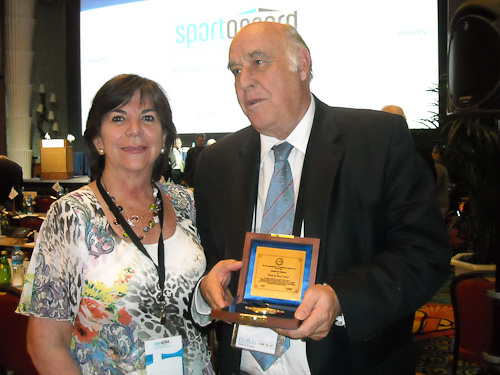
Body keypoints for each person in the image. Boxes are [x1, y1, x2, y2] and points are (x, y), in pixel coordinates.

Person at [192, 22, 451, 375]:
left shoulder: (376, 142)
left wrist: (340, 298)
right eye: (235, 70)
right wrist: (208, 281)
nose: (243, 81)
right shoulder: (216, 162)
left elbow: (424, 253)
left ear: (302, 62)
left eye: (258, 62)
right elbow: (209, 259)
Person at [17, 74, 213, 375]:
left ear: (164, 138)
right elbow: (45, 345)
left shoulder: (187, 203)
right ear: (97, 138)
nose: (134, 131)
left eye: (148, 118)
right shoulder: (70, 216)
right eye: (119, 118)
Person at [432, 145, 451, 216]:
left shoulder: (438, 168)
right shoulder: (443, 167)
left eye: (434, 152)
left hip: (438, 204)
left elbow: (435, 185)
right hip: (442, 203)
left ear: (438, 154)